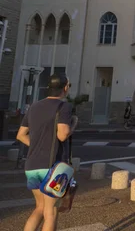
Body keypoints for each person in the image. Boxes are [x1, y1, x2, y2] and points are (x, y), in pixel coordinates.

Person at [17, 74, 77, 231]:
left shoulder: (34, 106)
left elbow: (21, 135)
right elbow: (62, 134)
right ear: (65, 88)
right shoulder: (64, 107)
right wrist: (73, 126)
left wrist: (37, 144)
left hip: (31, 165)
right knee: (51, 211)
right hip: (51, 167)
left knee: (39, 208)